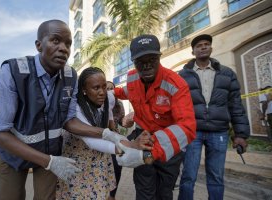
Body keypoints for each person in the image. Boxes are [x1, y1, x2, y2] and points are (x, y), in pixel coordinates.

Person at [0, 20, 125, 200]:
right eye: (55, 40)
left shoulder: (70, 76)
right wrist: (50, 162)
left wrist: (107, 134)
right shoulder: (13, 72)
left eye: (68, 43)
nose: (64, 48)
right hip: (15, 154)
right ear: (39, 45)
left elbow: (69, 122)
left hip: (49, 152)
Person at [113, 34, 197, 200]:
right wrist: (108, 91)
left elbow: (187, 126)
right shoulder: (132, 77)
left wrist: (149, 153)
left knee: (164, 193)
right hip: (141, 139)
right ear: (133, 62)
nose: (146, 66)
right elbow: (125, 92)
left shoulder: (176, 84)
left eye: (152, 59)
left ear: (160, 57)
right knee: (144, 192)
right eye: (140, 61)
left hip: (168, 147)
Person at [177, 34, 250, 200]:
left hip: (219, 132)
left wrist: (240, 134)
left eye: (206, 44)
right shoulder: (183, 75)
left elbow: (236, 106)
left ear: (211, 48)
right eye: (199, 45)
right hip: (192, 132)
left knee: (216, 178)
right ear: (193, 51)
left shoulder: (227, 73)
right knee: (188, 176)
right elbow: (176, 106)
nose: (203, 47)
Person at [57, 67, 120, 199]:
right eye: (96, 88)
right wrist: (126, 147)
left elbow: (109, 115)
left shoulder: (108, 98)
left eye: (104, 86)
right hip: (79, 164)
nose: (102, 92)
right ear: (84, 90)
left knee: (102, 194)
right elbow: (91, 141)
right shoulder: (76, 108)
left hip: (100, 162)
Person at [106, 81, 125, 200]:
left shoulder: (119, 105)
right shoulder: (98, 104)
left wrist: (128, 121)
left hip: (114, 139)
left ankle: (112, 195)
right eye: (106, 88)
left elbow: (123, 121)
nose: (108, 91)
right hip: (100, 139)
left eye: (111, 89)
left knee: (117, 166)